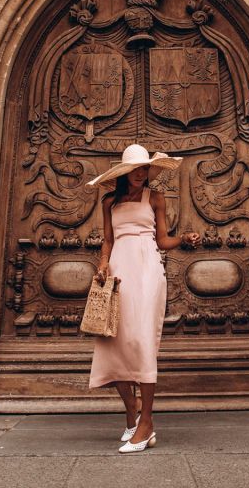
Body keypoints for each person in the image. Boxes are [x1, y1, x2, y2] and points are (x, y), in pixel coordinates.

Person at [86, 143, 201, 452]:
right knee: (114, 342)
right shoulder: (109, 202)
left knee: (142, 340)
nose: (141, 173)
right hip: (119, 269)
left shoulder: (156, 198)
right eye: (135, 169)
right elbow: (107, 240)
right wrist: (102, 265)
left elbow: (162, 240)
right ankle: (132, 412)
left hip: (148, 268)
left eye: (144, 168)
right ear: (124, 172)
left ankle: (146, 422)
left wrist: (183, 239)